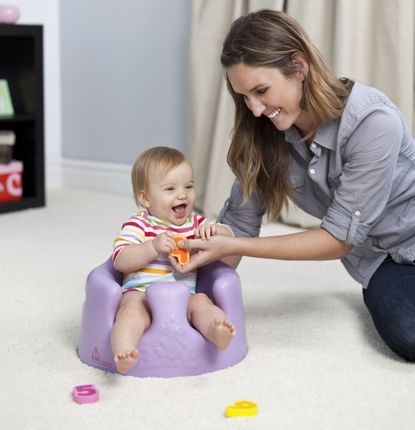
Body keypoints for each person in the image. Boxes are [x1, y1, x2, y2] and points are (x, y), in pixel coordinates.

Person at [172, 9, 415, 362]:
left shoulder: (373, 123)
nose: (254, 109)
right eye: (244, 97)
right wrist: (193, 295)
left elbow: (337, 240)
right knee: (408, 334)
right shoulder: (264, 135)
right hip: (382, 263)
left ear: (299, 67)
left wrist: (237, 243)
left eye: (261, 91)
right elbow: (238, 225)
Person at [111, 146, 236, 374]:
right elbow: (120, 260)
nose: (182, 195)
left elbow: (229, 239)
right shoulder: (139, 224)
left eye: (188, 186)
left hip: (184, 296)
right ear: (145, 198)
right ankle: (124, 351)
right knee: (130, 313)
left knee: (202, 303)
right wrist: (152, 246)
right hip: (141, 294)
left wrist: (216, 231)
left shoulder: (196, 224)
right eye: (170, 189)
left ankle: (217, 330)